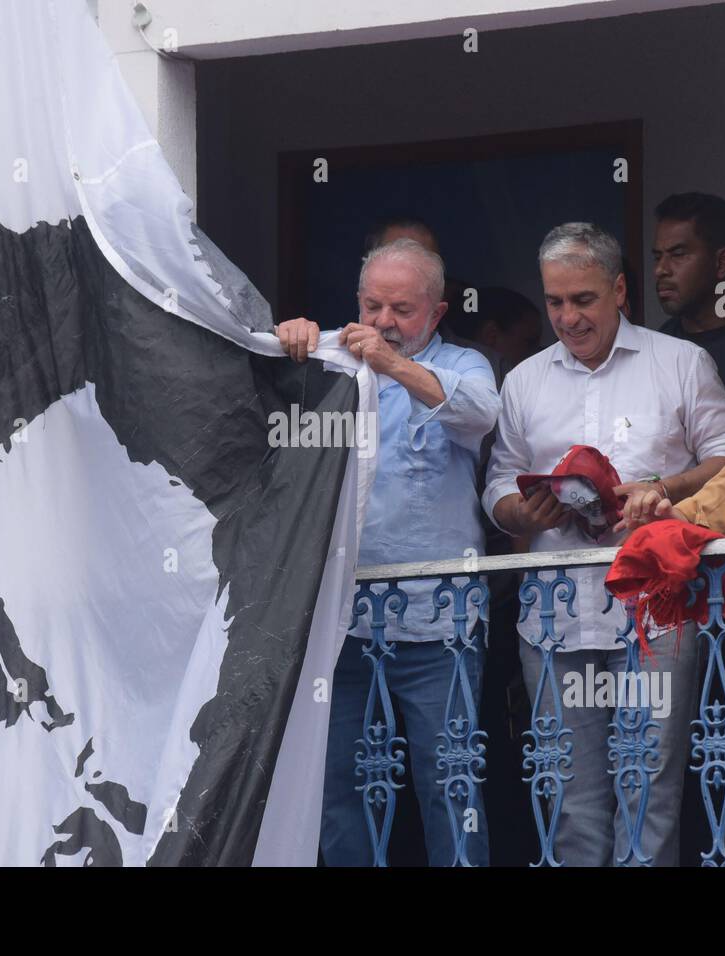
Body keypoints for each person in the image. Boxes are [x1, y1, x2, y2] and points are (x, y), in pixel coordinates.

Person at [482, 222, 725, 866]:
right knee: (571, 797)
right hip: (554, 617)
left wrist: (662, 487)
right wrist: (527, 508)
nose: (567, 317)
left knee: (650, 786)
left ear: (620, 290)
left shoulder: (680, 361)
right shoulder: (523, 381)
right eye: (554, 302)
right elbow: (495, 490)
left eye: (584, 300)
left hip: (654, 611)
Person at [277, 237, 501, 866]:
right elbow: (247, 389)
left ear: (436, 311)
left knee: (448, 785)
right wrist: (286, 340)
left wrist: (391, 364)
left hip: (441, 626)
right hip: (341, 624)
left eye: (401, 309)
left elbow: (483, 415)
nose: (382, 323)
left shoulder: (465, 365)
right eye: (371, 305)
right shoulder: (327, 362)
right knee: (342, 790)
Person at [652, 192, 725, 424]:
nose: (661, 270)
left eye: (678, 255)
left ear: (722, 262)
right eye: (657, 257)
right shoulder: (657, 349)